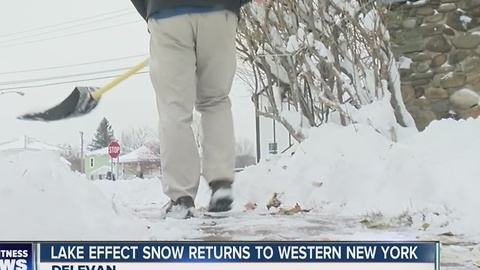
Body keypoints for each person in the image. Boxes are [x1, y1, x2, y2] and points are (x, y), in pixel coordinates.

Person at [130, 0, 257, 219]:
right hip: (220, 12)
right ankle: (221, 183)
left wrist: (152, 13)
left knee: (174, 109)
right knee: (215, 100)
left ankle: (181, 198)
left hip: (166, 13)